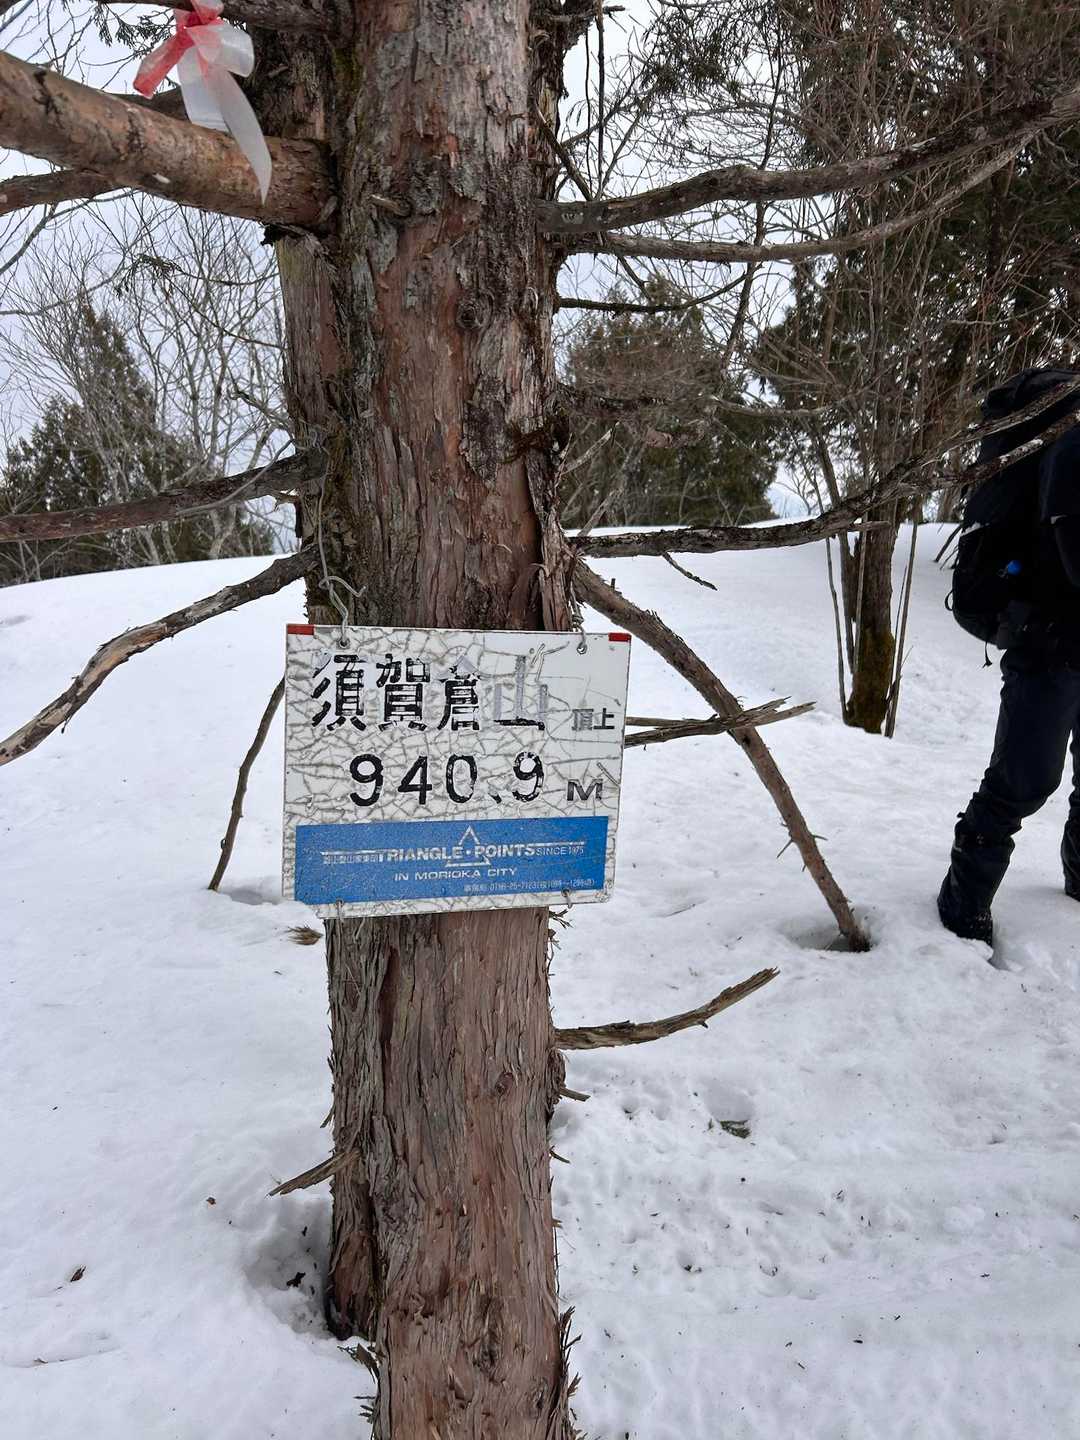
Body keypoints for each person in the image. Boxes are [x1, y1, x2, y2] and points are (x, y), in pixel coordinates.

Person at [938, 367, 1080, 946]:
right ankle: (963, 903)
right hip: (1050, 639)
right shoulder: (1073, 442)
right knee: (1024, 779)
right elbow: (1074, 552)